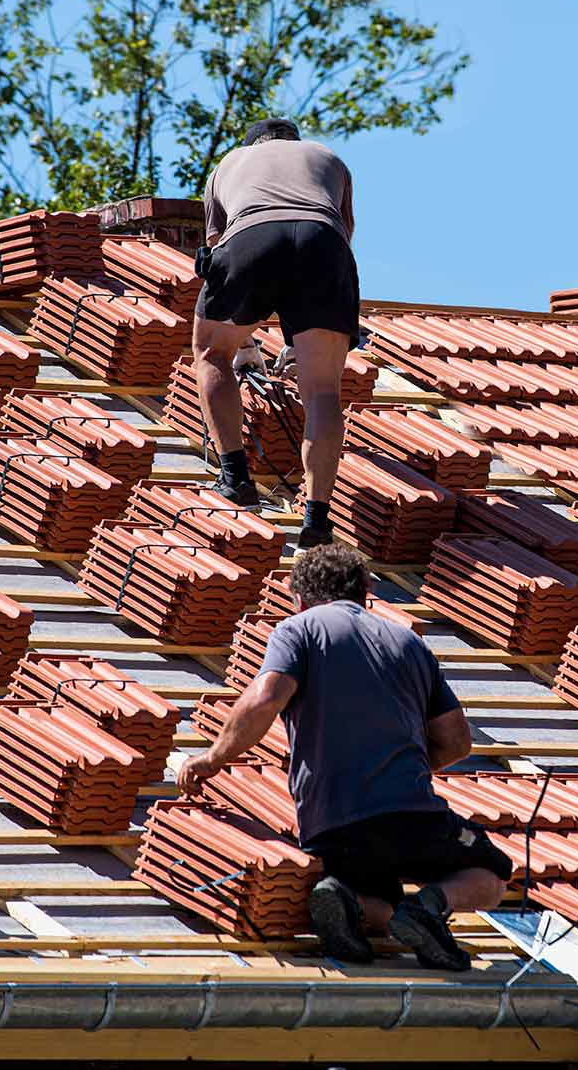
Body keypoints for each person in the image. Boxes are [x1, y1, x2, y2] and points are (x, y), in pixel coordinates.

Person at [177, 545, 513, 970]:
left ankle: (348, 898)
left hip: (331, 826)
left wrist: (212, 757)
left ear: (300, 598)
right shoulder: (409, 642)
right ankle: (428, 907)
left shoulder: (298, 629)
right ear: (364, 592)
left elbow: (265, 699)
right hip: (410, 815)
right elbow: (457, 741)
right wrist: (400, 767)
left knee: (377, 898)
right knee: (493, 874)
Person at [193, 116, 358, 552]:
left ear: (254, 145)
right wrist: (299, 338)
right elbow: (343, 234)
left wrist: (244, 344)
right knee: (323, 391)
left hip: (252, 238)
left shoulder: (229, 164)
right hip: (323, 244)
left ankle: (235, 478)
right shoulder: (328, 158)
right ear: (293, 141)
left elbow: (218, 246)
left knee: (210, 354)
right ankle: (317, 521)